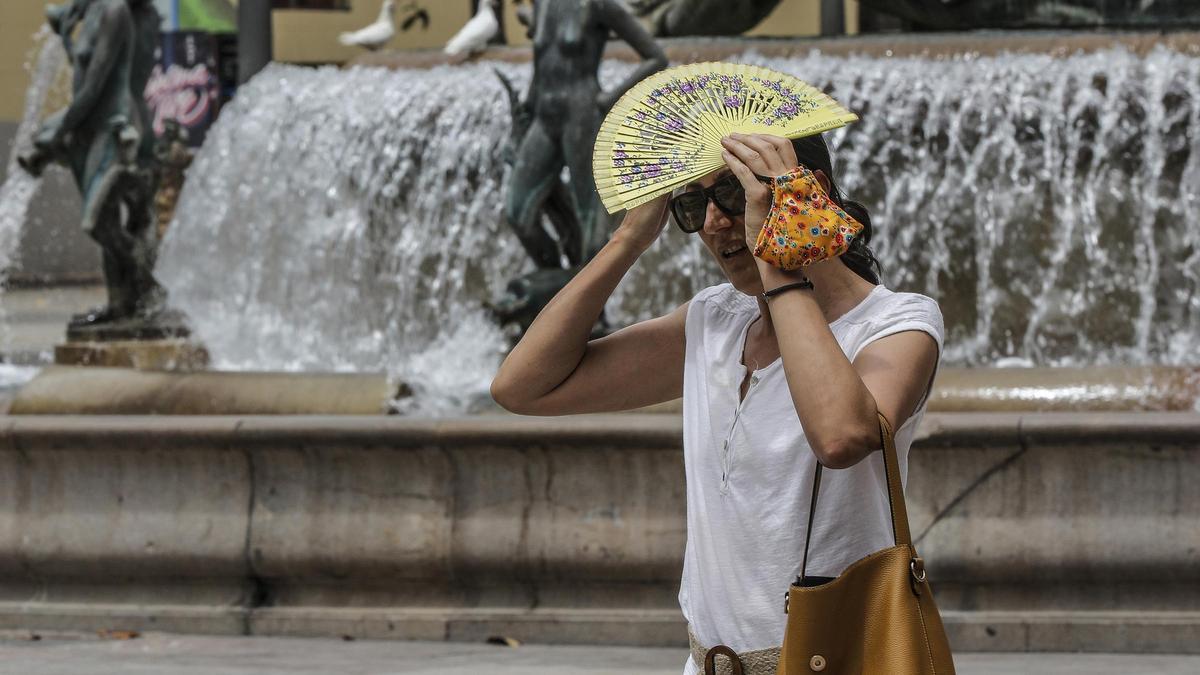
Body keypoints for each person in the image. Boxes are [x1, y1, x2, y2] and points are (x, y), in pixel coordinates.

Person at [491, 131, 944, 675]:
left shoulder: (899, 323)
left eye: (733, 194)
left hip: (838, 660)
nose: (713, 222)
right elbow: (522, 388)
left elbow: (841, 437)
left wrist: (780, 254)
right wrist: (627, 242)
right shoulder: (716, 319)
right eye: (690, 204)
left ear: (809, 191)